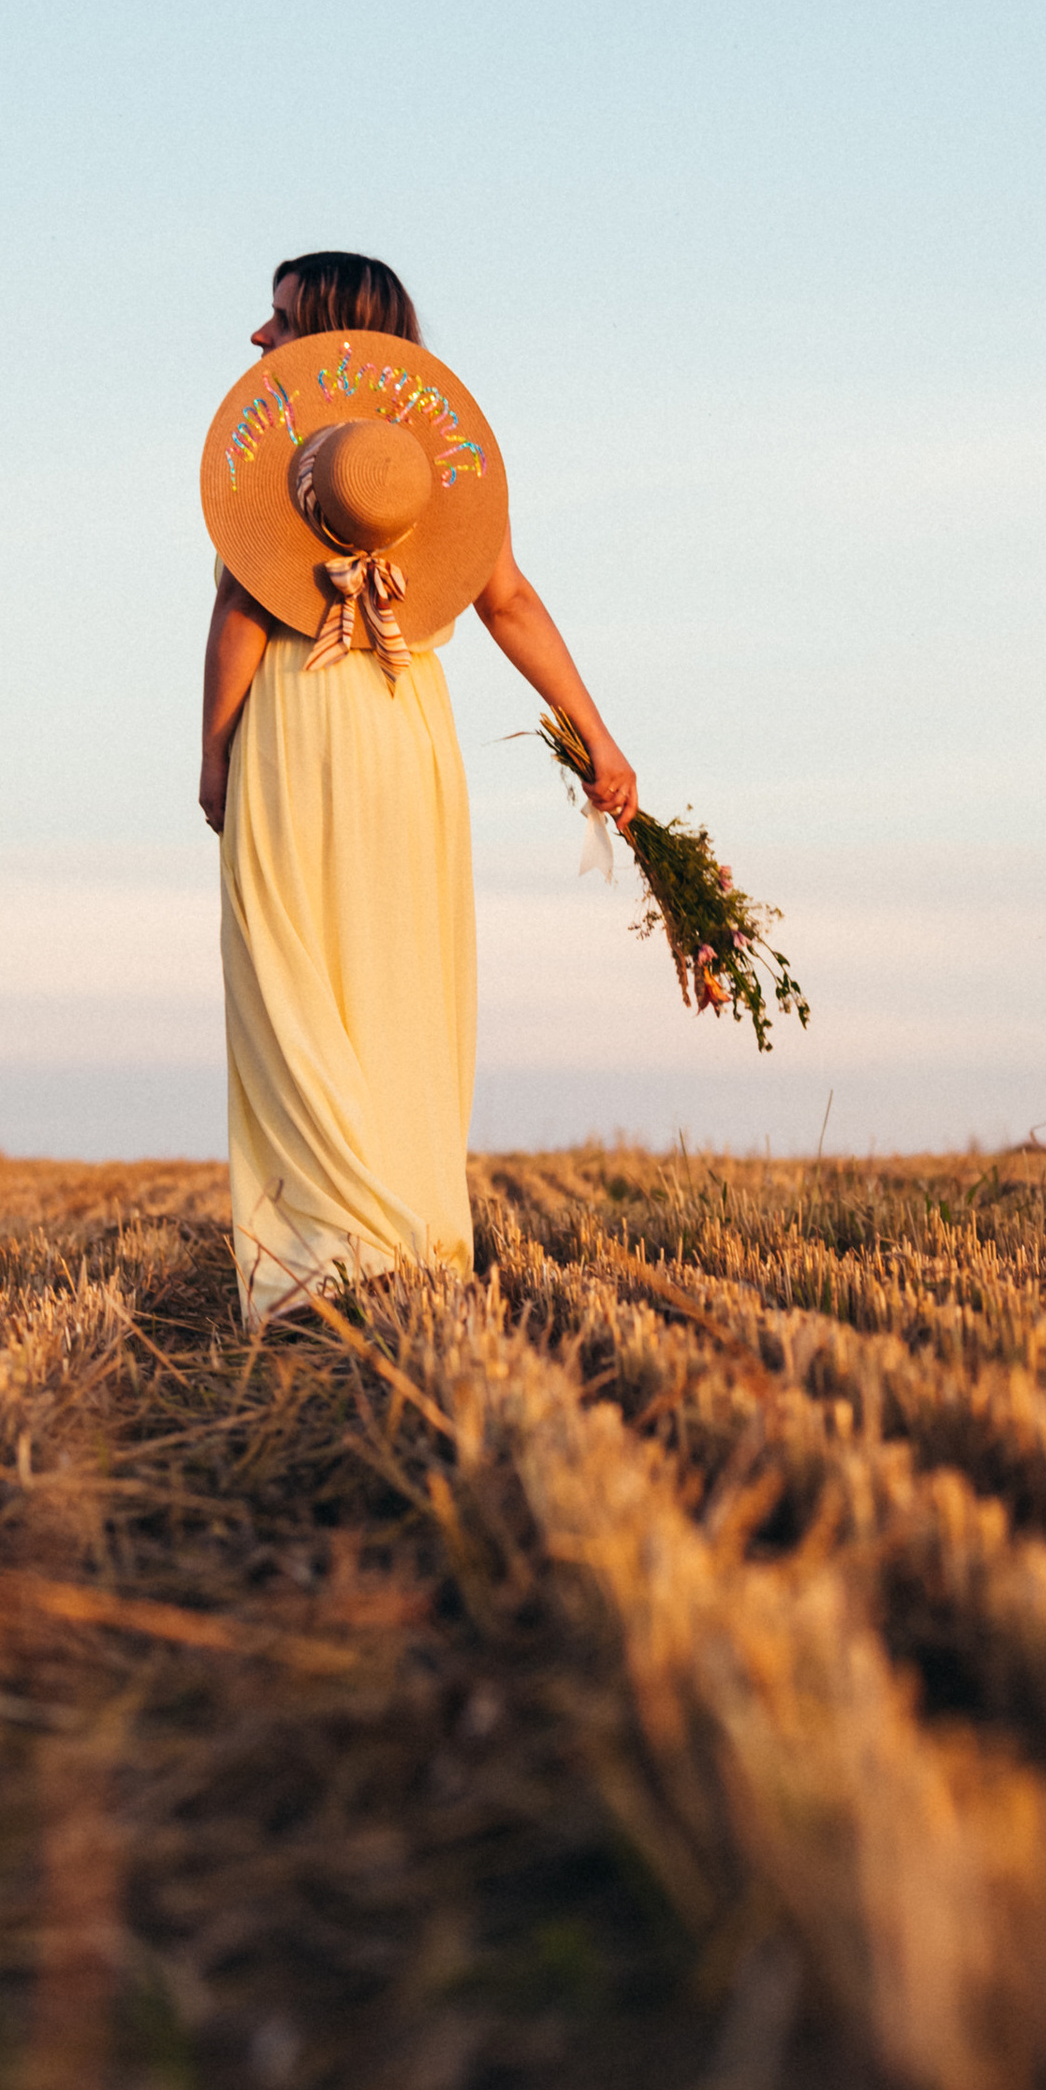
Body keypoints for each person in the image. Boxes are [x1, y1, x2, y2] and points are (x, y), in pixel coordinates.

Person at [199, 250, 635, 1322]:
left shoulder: (294, 464)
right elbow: (512, 600)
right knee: (399, 974)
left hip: (302, 719)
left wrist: (213, 756)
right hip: (407, 731)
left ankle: (325, 1246)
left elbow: (242, 620)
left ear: (331, 329)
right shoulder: (430, 468)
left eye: (279, 319)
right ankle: (412, 1231)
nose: (259, 339)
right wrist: (600, 740)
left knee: (293, 976)